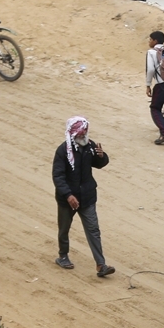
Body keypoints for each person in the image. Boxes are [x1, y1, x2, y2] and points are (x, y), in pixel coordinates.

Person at [52, 116, 115, 276]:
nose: (83, 136)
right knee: (64, 229)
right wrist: (68, 195)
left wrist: (102, 156)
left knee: (93, 230)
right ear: (72, 134)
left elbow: (99, 164)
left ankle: (101, 265)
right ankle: (63, 256)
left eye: (84, 133)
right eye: (80, 134)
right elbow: (58, 176)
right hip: (67, 200)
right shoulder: (62, 151)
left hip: (87, 197)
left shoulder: (89, 146)